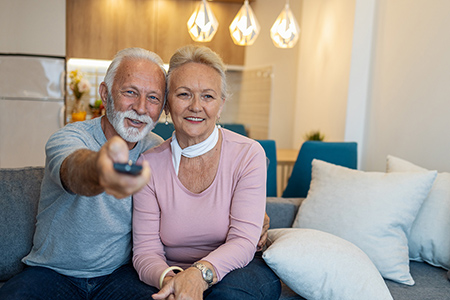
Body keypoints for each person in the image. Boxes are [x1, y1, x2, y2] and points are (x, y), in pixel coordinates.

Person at [0, 47, 167, 299]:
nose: (141, 108)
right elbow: (73, 170)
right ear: (105, 93)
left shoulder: (157, 150)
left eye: (153, 98)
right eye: (130, 92)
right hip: (51, 273)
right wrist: (101, 169)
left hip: (119, 275)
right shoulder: (69, 136)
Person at [132, 45, 281, 300]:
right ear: (167, 104)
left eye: (208, 97)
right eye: (184, 94)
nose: (196, 106)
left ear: (220, 105)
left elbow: (244, 241)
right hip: (172, 269)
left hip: (238, 267)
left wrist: (199, 275)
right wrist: (173, 281)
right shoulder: (148, 165)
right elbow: (145, 250)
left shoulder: (248, 154)